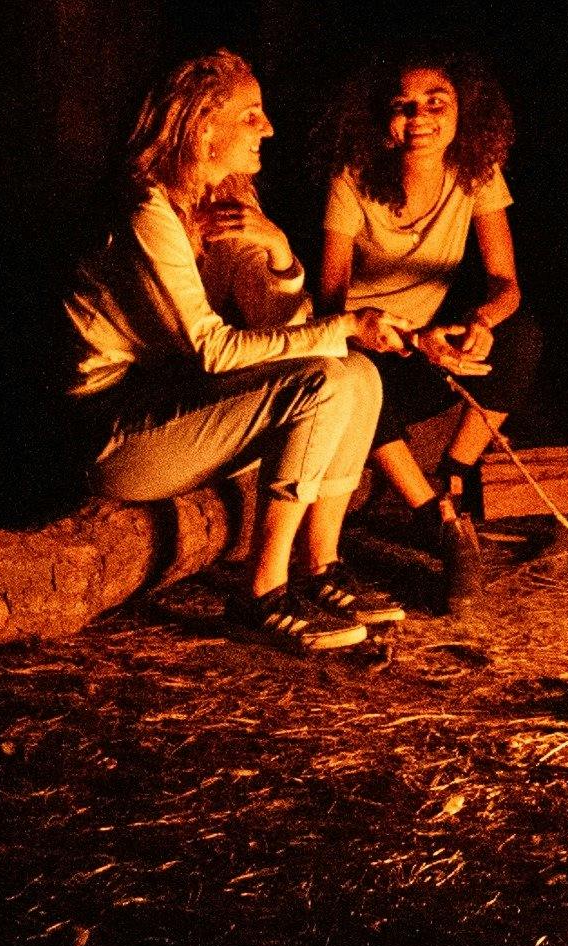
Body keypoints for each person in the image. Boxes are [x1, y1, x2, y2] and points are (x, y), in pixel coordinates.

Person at [64, 51, 413, 652]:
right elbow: (213, 351)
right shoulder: (148, 209)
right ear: (203, 124)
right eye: (251, 114)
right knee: (326, 376)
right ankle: (260, 593)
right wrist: (346, 323)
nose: (268, 128)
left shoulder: (221, 197)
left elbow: (294, 332)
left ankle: (320, 566)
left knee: (356, 374)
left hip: (179, 410)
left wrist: (278, 252)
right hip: (114, 435)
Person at [316, 52, 540, 614]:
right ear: (380, 118)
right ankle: (433, 519)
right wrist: (410, 340)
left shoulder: (475, 174)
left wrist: (481, 324)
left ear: (465, 110)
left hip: (427, 346)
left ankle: (455, 471)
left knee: (523, 335)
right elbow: (329, 306)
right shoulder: (352, 180)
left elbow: (505, 283)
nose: (420, 119)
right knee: (352, 383)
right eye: (403, 106)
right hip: (366, 344)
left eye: (436, 103)